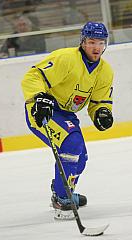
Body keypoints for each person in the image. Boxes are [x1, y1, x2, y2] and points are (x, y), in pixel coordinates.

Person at [21, 22, 114, 219]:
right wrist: (39, 97)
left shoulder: (105, 71)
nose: (96, 48)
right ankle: (62, 199)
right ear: (82, 42)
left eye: (101, 43)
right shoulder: (66, 58)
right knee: (71, 145)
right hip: (42, 110)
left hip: (66, 115)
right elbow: (32, 76)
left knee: (81, 157)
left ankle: (61, 190)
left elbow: (99, 100)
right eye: (91, 42)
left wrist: (102, 112)